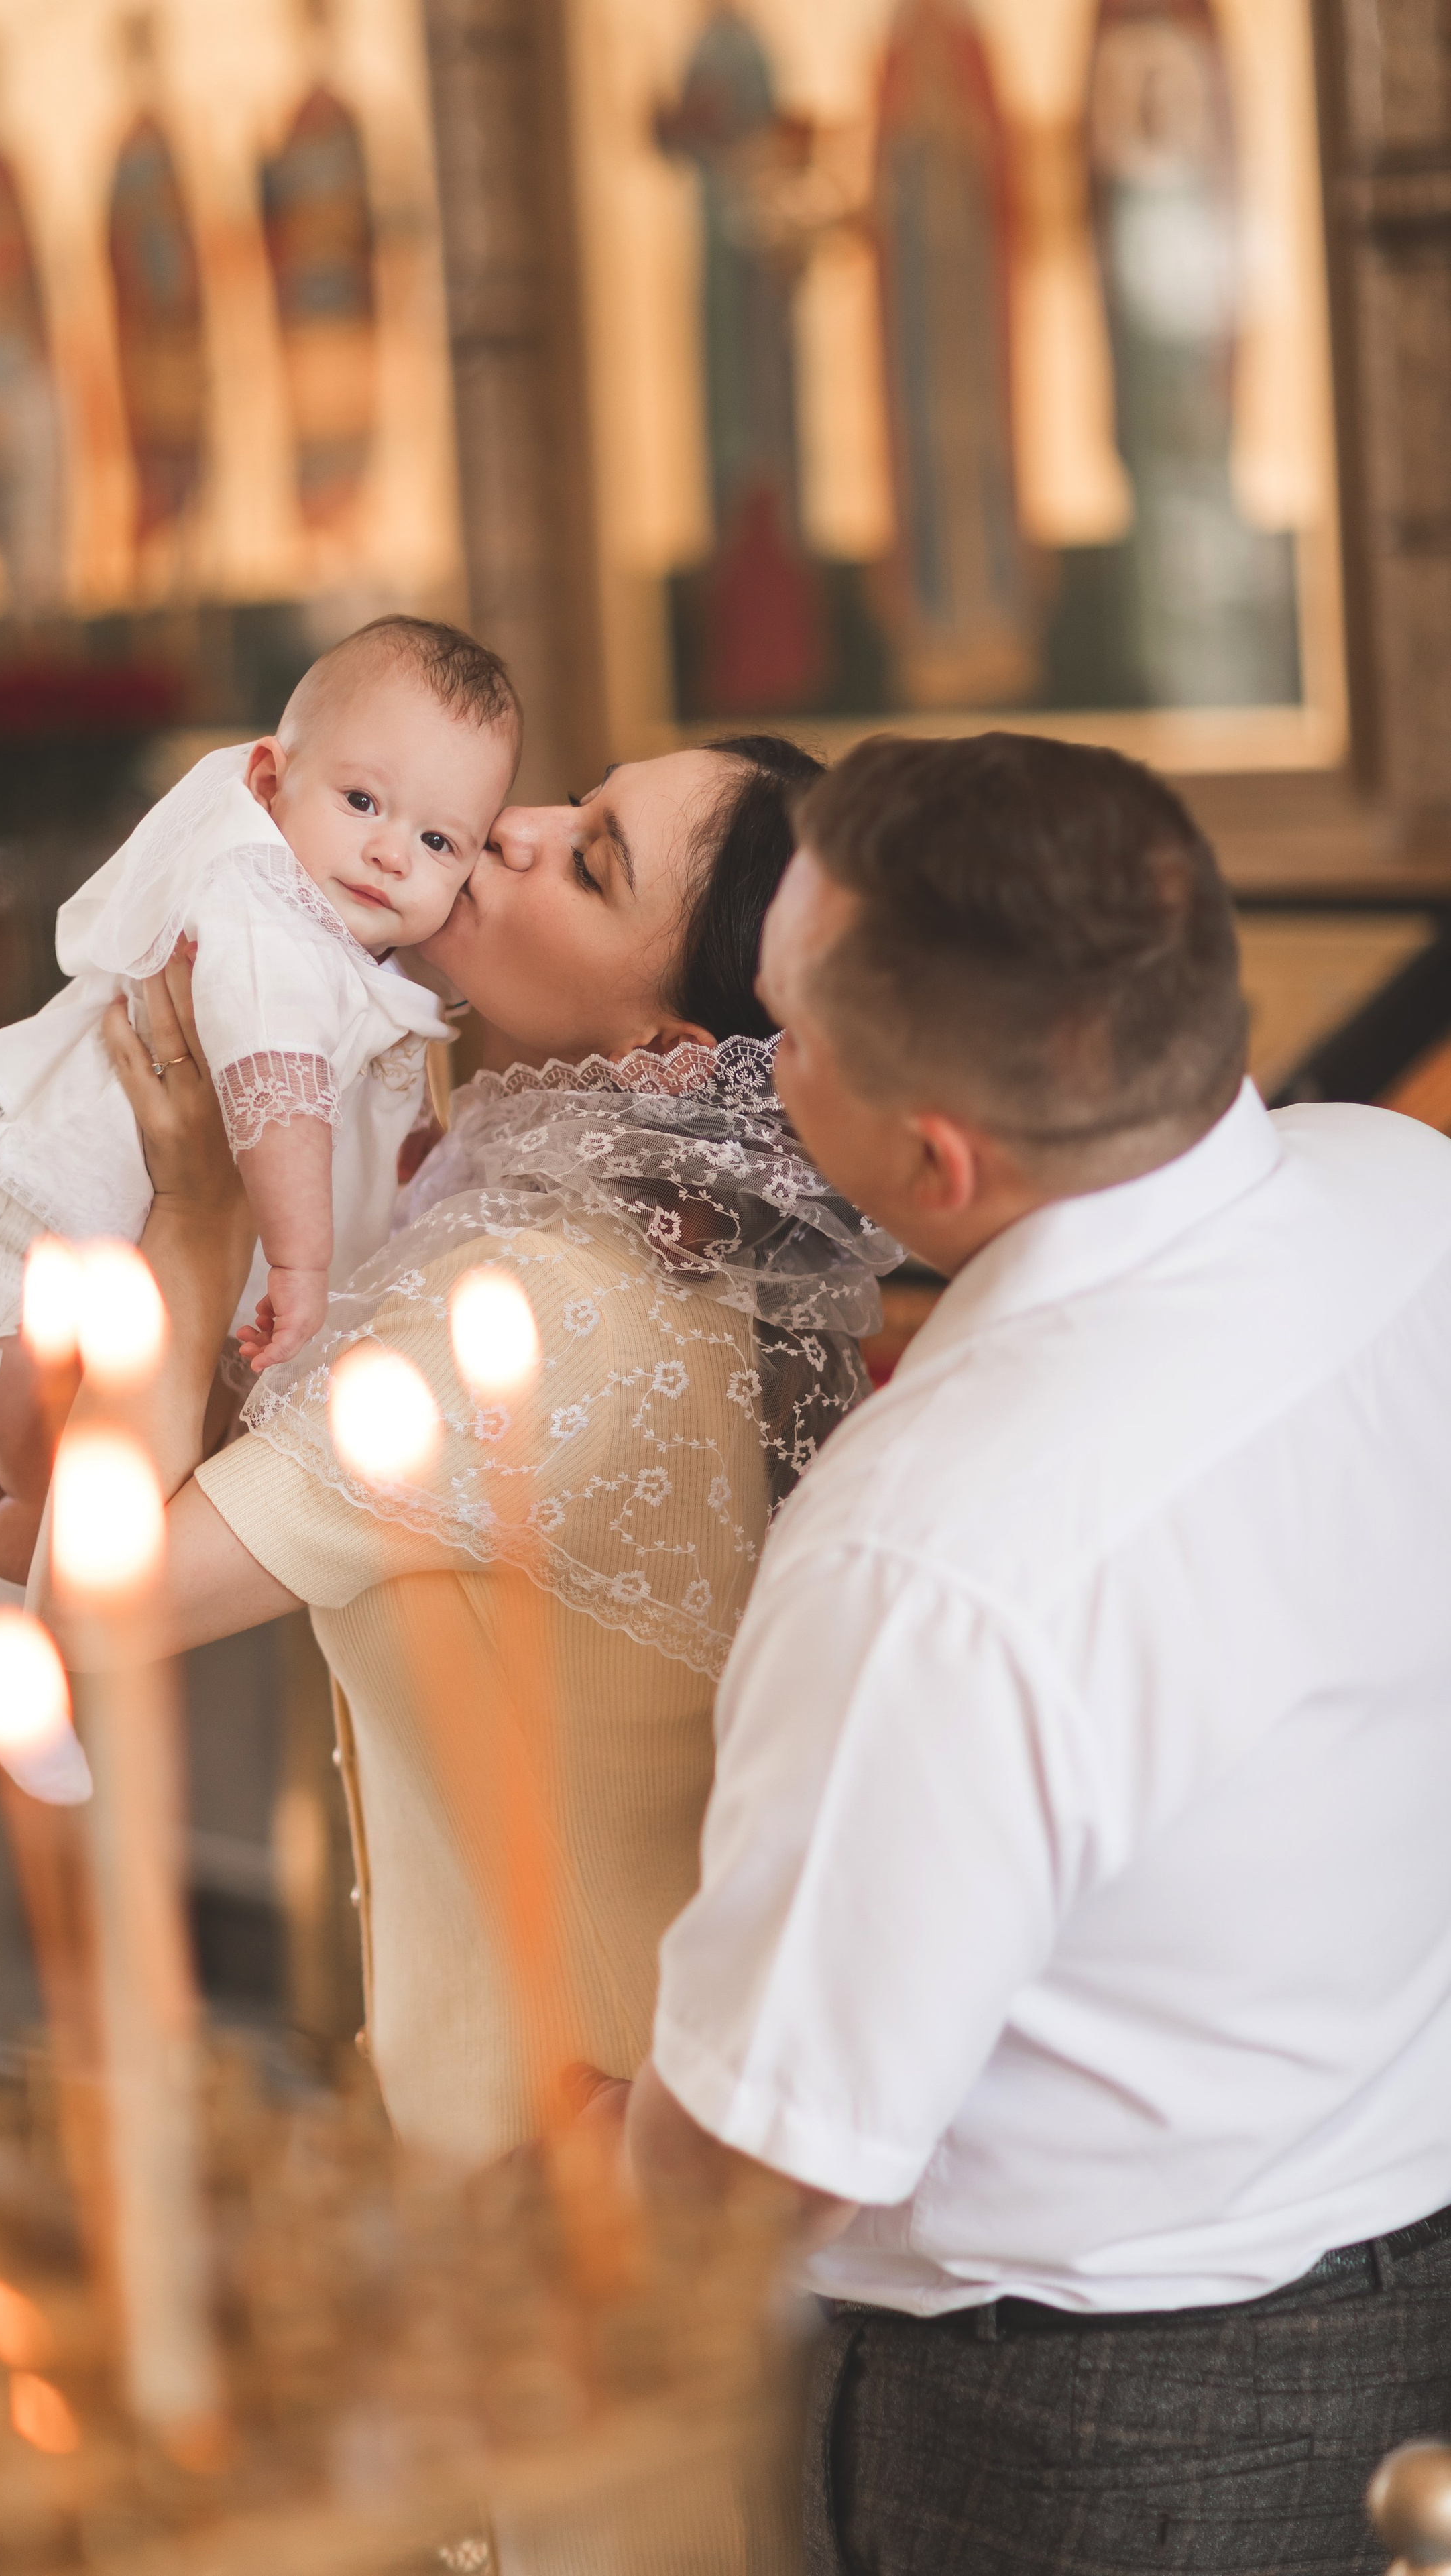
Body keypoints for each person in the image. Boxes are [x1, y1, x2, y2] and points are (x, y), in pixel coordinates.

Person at [591, 731, 1451, 2576]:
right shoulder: (1406, 1194)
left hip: (1079, 2434)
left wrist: (600, 2152)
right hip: (1405, 2287)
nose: (760, 1064)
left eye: (785, 1033)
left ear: (936, 1153)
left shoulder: (926, 1550)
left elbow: (774, 2162)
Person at [50, 733, 894, 2573]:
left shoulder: (549, 1303)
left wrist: (197, 1207)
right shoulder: (566, 1221)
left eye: (588, 861)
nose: (506, 829)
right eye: (568, 801)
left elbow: (92, 1598)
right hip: (558, 2171)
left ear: (670, 1053)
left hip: (599, 2193)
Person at [0, 616, 518, 1736]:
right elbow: (277, 1094)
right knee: (65, 1494)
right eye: (362, 801)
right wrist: (301, 1265)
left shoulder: (344, 940)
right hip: (22, 1274)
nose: (394, 853)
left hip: (64, 1266)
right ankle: (13, 1682)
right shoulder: (266, 920)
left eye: (441, 841)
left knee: (52, 1438)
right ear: (270, 781)